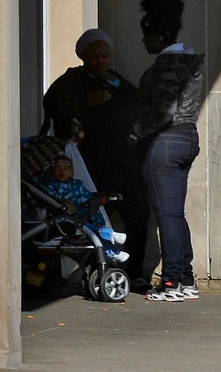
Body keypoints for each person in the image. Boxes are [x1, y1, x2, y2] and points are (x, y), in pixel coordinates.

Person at [42, 28, 151, 285]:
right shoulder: (73, 81)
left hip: (128, 163)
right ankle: (94, 270)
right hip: (93, 165)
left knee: (138, 213)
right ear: (83, 58)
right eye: (93, 57)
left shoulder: (119, 82)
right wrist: (85, 102)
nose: (99, 61)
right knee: (92, 216)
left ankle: (134, 272)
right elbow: (53, 104)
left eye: (104, 56)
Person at [131, 0, 206, 303]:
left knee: (166, 216)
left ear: (160, 34)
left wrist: (135, 133)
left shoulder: (166, 66)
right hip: (188, 137)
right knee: (176, 214)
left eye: (147, 35)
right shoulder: (190, 60)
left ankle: (172, 281)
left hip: (164, 143)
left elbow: (163, 110)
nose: (144, 41)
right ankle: (185, 278)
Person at [40, 155, 129, 263]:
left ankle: (113, 251)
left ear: (72, 172)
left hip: (84, 213)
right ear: (52, 172)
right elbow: (52, 197)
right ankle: (111, 239)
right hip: (67, 218)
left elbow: (87, 198)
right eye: (57, 168)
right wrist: (63, 202)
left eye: (65, 168)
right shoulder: (50, 185)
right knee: (90, 229)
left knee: (94, 222)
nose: (61, 171)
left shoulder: (78, 184)